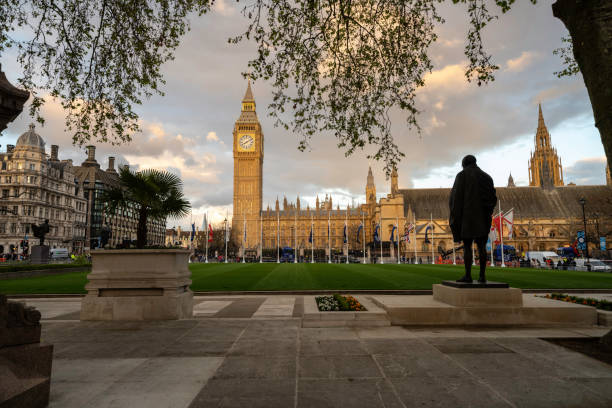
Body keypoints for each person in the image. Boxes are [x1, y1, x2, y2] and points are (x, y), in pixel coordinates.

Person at [449, 155, 497, 283]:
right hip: (483, 218)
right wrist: (487, 212)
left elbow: (455, 199)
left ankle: (468, 276)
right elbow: (493, 199)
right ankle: (482, 276)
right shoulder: (487, 177)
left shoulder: (461, 176)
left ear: (464, 164)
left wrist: (454, 219)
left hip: (467, 219)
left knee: (467, 247)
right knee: (482, 247)